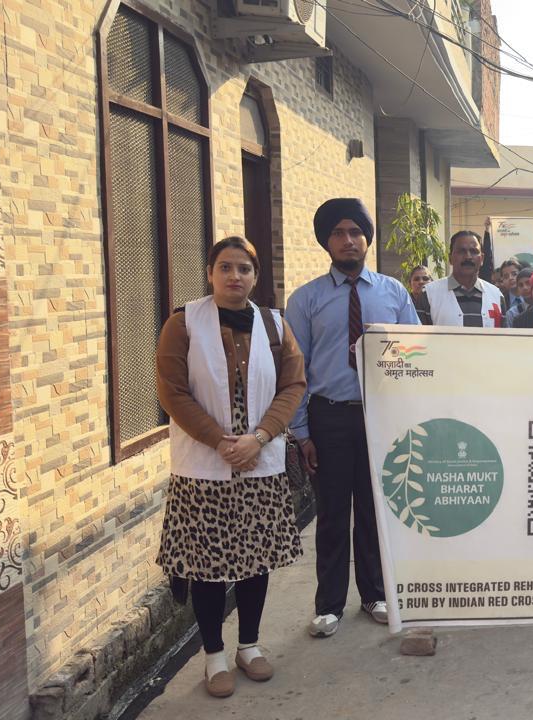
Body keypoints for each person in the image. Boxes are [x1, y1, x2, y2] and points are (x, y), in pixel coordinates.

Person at [156, 236, 307, 697]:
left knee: (255, 561)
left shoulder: (275, 324)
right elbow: (172, 391)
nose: (234, 276)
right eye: (225, 267)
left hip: (258, 458)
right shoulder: (182, 324)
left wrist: (259, 437)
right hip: (204, 464)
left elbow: (293, 384)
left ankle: (248, 645)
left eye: (244, 268)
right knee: (207, 565)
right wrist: (219, 441)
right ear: (209, 273)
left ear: (255, 276)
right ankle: (214, 656)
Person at [286, 198, 421, 640]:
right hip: (330, 416)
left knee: (374, 508)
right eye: (338, 233)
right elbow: (295, 370)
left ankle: (374, 594)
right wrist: (302, 431)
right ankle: (328, 605)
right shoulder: (306, 299)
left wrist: (408, 415)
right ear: (326, 241)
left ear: (367, 239)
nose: (348, 240)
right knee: (331, 512)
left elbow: (415, 355)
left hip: (382, 416)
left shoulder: (393, 293)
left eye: (356, 232)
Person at [415, 230, 506, 327]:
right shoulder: (429, 295)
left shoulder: (496, 296)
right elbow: (418, 334)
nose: (468, 257)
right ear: (450, 258)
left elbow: (504, 335)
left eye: (474, 251)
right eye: (461, 251)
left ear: (482, 259)